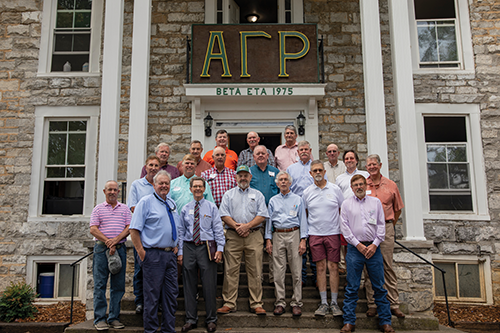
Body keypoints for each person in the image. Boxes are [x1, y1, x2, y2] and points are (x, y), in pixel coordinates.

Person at [340, 175, 394, 333]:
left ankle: (385, 322)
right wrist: (358, 245)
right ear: (351, 188)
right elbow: (345, 228)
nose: (358, 187)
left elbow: (381, 225)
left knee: (379, 286)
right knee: (352, 287)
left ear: (365, 185)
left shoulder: (375, 203)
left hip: (373, 249)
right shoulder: (346, 204)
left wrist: (374, 245)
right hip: (354, 250)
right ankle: (349, 321)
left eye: (361, 184)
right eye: (355, 184)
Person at [129, 170, 180, 333]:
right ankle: (150, 330)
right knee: (152, 298)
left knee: (171, 296)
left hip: (169, 256)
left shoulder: (172, 203)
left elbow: (175, 227)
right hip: (153, 256)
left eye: (167, 183)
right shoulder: (145, 202)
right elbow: (134, 230)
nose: (164, 186)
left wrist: (176, 244)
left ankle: (168, 330)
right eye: (161, 183)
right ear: (154, 185)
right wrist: (141, 252)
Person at [217, 165, 269, 315]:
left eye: (246, 175)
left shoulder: (258, 195)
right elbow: (224, 214)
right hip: (233, 236)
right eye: (240, 175)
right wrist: (237, 227)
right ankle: (229, 302)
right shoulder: (229, 195)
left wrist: (247, 226)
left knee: (256, 270)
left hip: (254, 235)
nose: (243, 178)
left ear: (250, 177)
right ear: (236, 177)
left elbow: (262, 215)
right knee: (230, 270)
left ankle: (256, 303)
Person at [178, 177, 225, 333]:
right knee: (189, 285)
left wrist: (220, 249)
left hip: (207, 247)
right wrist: (180, 252)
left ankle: (211, 319)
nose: (197, 189)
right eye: (195, 186)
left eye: (200, 186)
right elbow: (181, 231)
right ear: (190, 189)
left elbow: (218, 229)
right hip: (189, 246)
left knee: (209, 284)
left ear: (204, 189)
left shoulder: (212, 207)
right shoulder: (185, 208)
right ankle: (191, 319)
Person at [364, 154, 405, 319]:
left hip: (386, 228)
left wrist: (389, 226)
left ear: (380, 165)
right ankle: (372, 304)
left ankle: (393, 303)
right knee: (369, 267)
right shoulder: (362, 184)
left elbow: (398, 209)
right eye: (369, 165)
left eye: (374, 164)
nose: (372, 167)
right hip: (368, 230)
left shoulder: (391, 185)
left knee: (387, 265)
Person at [302, 161, 344, 317]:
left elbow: (342, 209)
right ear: (310, 173)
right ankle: (323, 302)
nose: (318, 172)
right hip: (315, 234)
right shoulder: (307, 192)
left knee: (333, 267)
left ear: (325, 171)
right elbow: (304, 214)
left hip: (333, 233)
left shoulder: (335, 189)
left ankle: (334, 302)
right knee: (320, 268)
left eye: (320, 170)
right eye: (315, 170)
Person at [265, 171, 307, 317]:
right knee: (278, 271)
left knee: (296, 271)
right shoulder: (272, 201)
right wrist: (268, 239)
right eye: (280, 180)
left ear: (290, 183)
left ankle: (296, 302)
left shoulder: (298, 199)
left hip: (294, 233)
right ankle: (280, 302)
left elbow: (303, 220)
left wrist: (303, 239)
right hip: (277, 235)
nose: (283, 182)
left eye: (285, 180)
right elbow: (269, 222)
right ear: (277, 183)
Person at [90, 180, 131, 331]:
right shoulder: (98, 209)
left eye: (115, 190)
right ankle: (100, 319)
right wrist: (108, 242)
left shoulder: (125, 209)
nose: (112, 192)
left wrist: (115, 240)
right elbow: (93, 229)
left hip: (119, 249)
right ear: (104, 191)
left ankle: (114, 317)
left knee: (118, 285)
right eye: (109, 190)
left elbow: (129, 227)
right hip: (101, 250)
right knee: (100, 285)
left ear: (118, 192)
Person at [128, 155, 160, 315]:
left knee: (156, 272)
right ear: (146, 167)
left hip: (157, 236)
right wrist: (153, 216)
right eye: (151, 165)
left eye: (156, 165)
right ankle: (140, 301)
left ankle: (156, 301)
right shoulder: (137, 185)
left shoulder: (161, 185)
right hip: (141, 235)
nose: (153, 168)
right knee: (140, 270)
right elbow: (133, 208)